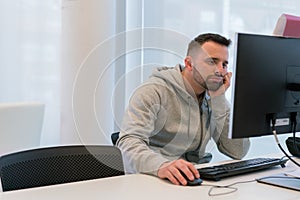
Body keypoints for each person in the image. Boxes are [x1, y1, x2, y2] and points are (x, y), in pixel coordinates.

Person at [117, 33, 250, 186]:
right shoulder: (154, 91)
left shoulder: (213, 96)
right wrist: (161, 165)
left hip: (193, 179)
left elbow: (238, 151)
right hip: (154, 179)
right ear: (189, 63)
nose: (220, 71)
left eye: (224, 64)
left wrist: (219, 100)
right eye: (212, 62)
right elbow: (127, 144)